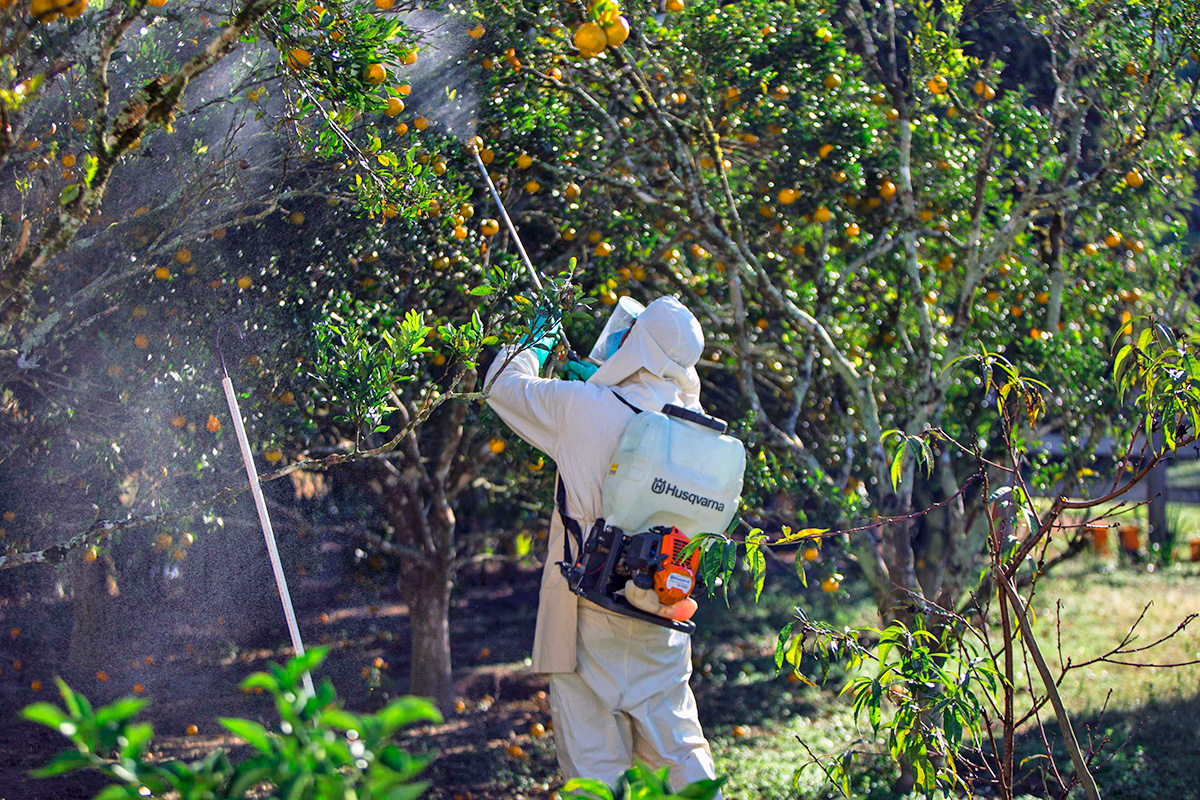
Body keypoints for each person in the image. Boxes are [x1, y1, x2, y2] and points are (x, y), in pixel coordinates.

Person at [484, 295, 721, 795]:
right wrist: (595, 380)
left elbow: (502, 386)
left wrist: (534, 343)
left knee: (595, 763)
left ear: (638, 345)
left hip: (587, 604)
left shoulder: (580, 406)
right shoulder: (699, 426)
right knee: (678, 750)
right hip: (662, 604)